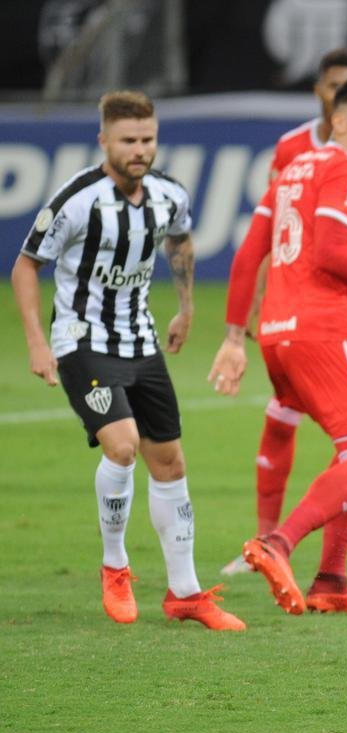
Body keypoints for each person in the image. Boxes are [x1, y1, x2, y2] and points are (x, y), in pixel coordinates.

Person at [12, 90, 244, 631]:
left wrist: (186, 309)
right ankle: (115, 567)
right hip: (82, 339)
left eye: (147, 139)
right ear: (104, 141)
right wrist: (35, 341)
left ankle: (185, 593)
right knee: (123, 445)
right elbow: (27, 265)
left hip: (141, 342)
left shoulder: (168, 194)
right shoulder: (76, 199)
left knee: (172, 463)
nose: (140, 149)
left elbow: (180, 243)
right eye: (128, 140)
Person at [208, 76, 347, 616]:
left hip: (277, 333)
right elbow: (331, 252)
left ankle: (331, 581)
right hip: (322, 329)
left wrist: (234, 337)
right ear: (340, 120)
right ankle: (276, 543)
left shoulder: (291, 169)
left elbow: (247, 257)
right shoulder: (346, 169)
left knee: (344, 448)